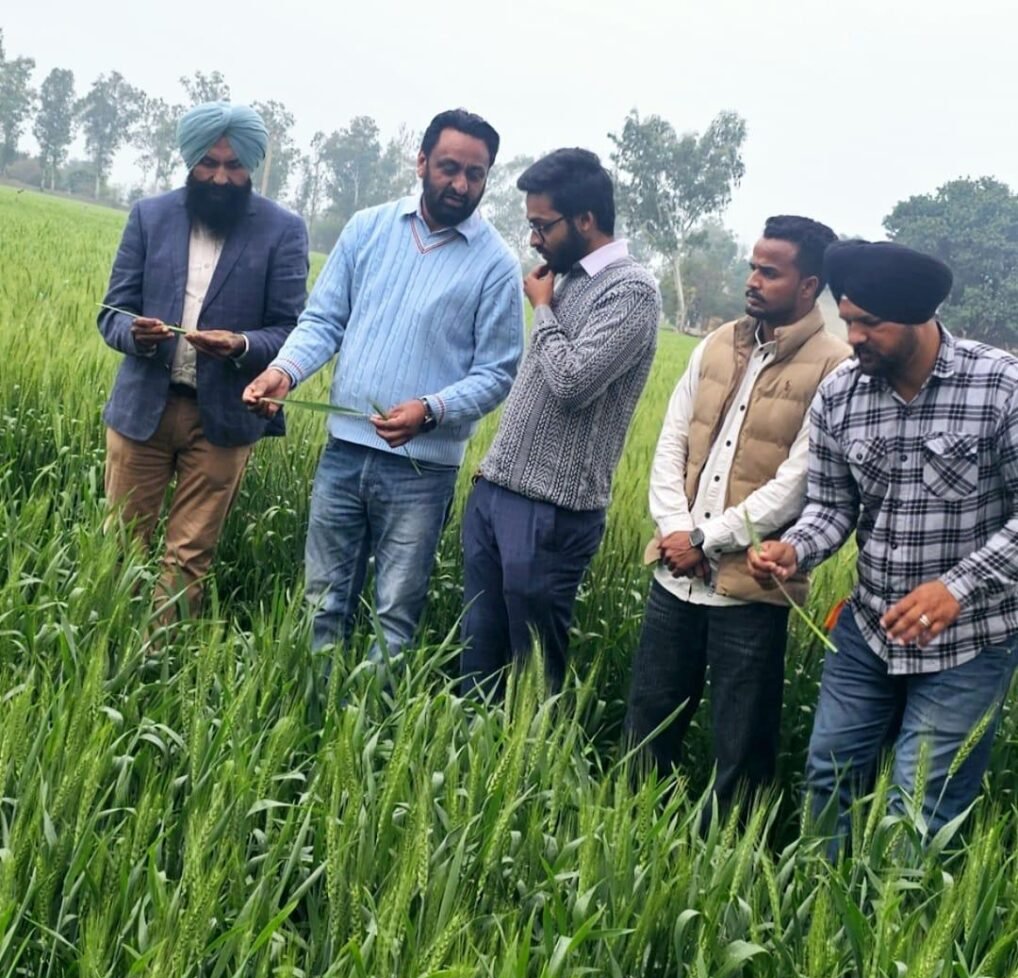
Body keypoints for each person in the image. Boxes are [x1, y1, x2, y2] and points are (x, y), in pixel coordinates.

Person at [749, 239, 1018, 843]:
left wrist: (957, 588)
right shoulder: (842, 396)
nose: (854, 338)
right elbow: (830, 506)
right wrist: (795, 548)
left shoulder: (999, 387)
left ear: (918, 318)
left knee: (920, 809)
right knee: (827, 775)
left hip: (968, 643)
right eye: (848, 321)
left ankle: (891, 929)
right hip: (867, 632)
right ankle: (816, 914)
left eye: (869, 323)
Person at [244, 109, 524, 659]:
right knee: (322, 600)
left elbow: (497, 372)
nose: (461, 184)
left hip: (423, 470)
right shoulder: (367, 228)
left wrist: (431, 409)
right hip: (344, 453)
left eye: (476, 174)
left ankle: (370, 733)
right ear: (421, 162)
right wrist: (283, 372)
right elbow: (324, 321)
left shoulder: (496, 264)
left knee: (393, 617)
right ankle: (312, 717)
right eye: (449, 168)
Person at [625, 216, 849, 814]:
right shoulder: (718, 341)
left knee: (741, 739)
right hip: (676, 573)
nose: (753, 280)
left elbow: (796, 484)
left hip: (751, 587)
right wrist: (676, 530)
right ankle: (631, 831)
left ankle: (728, 857)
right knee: (649, 719)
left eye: (769, 272)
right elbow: (673, 438)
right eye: (753, 266)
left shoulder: (834, 368)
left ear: (808, 286)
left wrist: (708, 538)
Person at [458, 148, 661, 696]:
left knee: (530, 674)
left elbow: (573, 384)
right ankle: (465, 767)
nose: (533, 239)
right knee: (476, 655)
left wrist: (542, 309)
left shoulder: (631, 291)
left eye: (542, 225)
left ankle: (524, 772)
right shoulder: (567, 278)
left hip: (552, 511)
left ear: (586, 220)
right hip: (499, 492)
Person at [99, 101, 308, 617]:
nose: (220, 177)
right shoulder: (150, 216)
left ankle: (155, 665)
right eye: (209, 164)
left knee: (188, 557)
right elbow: (111, 312)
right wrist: (137, 333)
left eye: (234, 166)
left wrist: (240, 345)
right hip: (142, 409)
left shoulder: (283, 230)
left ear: (252, 166)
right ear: (191, 161)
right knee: (120, 547)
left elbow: (291, 329)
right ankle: (106, 651)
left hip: (224, 418)